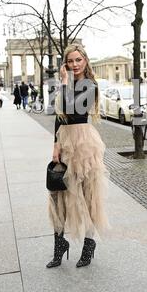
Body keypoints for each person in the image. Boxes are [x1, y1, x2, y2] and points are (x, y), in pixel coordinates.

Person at [47, 44, 109, 269]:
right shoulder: (67, 82)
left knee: (87, 194)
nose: (74, 64)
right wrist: (55, 143)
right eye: (70, 61)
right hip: (64, 141)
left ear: (85, 60)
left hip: (83, 143)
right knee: (58, 194)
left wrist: (64, 84)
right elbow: (59, 116)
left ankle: (89, 244)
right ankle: (59, 244)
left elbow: (73, 109)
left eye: (78, 60)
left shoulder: (90, 84)